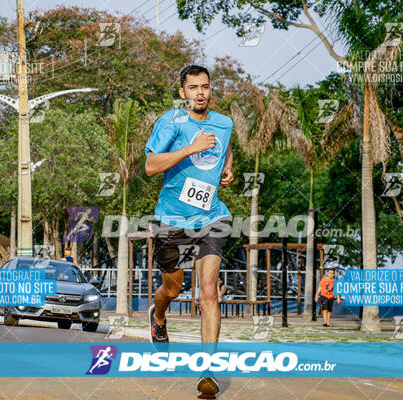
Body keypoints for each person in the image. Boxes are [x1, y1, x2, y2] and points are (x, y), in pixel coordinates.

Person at [144, 64, 234, 398]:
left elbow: (226, 148)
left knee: (208, 293)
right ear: (182, 92)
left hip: (211, 218)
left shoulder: (224, 123)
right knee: (172, 288)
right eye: (193, 87)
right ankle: (159, 316)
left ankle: (208, 370)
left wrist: (228, 168)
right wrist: (190, 149)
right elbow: (151, 166)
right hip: (173, 220)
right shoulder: (171, 122)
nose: (200, 92)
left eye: (205, 87)